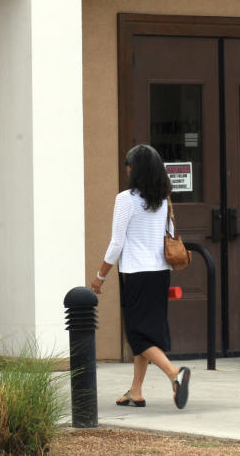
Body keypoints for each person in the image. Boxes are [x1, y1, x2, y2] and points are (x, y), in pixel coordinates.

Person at [90, 144, 191, 409]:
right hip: (160, 274)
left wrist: (100, 276)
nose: (126, 168)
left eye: (128, 164)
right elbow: (168, 232)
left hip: (136, 274)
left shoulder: (126, 199)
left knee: (138, 335)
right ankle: (136, 391)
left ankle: (174, 373)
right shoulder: (163, 198)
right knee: (146, 333)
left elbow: (116, 243)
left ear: (135, 170)